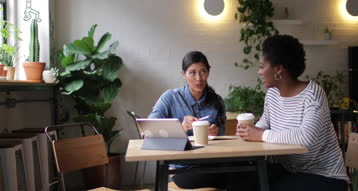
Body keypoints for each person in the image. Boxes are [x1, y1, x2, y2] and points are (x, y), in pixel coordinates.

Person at [236, 35, 349, 191]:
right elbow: (263, 125)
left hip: (325, 176)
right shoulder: (272, 94)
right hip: (291, 171)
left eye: (262, 66)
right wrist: (247, 131)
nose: (260, 72)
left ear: (278, 69)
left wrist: (261, 135)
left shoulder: (312, 94)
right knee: (241, 182)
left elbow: (305, 138)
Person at [148, 51, 226, 189]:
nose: (198, 78)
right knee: (238, 177)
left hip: (212, 163)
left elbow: (222, 136)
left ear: (208, 72)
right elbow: (149, 130)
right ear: (183, 74)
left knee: (246, 170)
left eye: (203, 71)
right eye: (192, 73)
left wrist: (216, 133)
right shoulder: (170, 98)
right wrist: (181, 128)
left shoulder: (217, 101)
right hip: (182, 168)